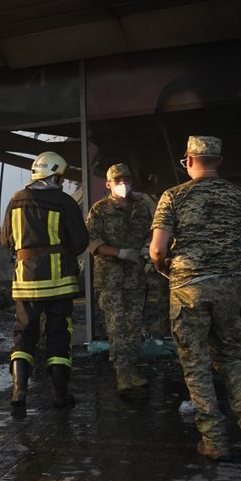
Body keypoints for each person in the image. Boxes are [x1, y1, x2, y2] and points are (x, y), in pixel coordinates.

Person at [150, 135, 241, 461]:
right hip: (228, 287)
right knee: (232, 358)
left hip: (188, 290)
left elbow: (157, 249)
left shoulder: (173, 197)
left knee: (195, 365)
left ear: (189, 160)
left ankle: (214, 441)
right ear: (219, 161)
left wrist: (167, 268)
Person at [1, 151, 89, 412]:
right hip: (59, 282)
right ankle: (60, 395)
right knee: (58, 335)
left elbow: (6, 241)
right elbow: (80, 242)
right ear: (55, 175)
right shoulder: (64, 202)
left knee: (23, 334)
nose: (62, 183)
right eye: (61, 177)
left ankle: (19, 392)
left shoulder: (15, 200)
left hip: (24, 282)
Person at [85, 163, 153, 394]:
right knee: (116, 327)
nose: (123, 184)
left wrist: (148, 249)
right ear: (108, 184)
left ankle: (133, 369)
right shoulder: (99, 210)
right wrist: (118, 252)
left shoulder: (142, 207)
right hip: (109, 279)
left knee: (135, 325)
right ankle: (122, 373)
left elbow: (154, 232)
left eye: (126, 180)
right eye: (118, 181)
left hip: (136, 276)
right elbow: (90, 241)